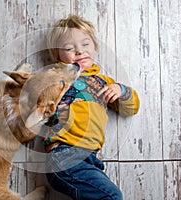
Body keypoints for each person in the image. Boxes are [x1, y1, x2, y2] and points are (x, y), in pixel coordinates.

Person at [42, 14, 140, 200]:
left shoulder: (104, 82)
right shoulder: (55, 77)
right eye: (70, 48)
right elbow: (24, 95)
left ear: (95, 48)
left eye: (85, 44)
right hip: (64, 154)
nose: (79, 51)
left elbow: (132, 107)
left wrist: (121, 90)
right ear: (58, 55)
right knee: (111, 196)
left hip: (91, 158)